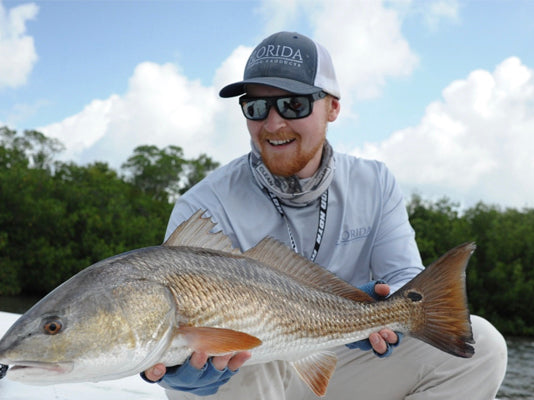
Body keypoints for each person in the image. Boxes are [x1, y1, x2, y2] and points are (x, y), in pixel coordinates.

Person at [138, 32, 508, 399]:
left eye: (293, 104)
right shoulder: (203, 205)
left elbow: (404, 279)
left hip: (338, 357)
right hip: (241, 373)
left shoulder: (375, 182)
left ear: (333, 107)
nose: (273, 124)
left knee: (485, 348)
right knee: (245, 348)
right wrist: (174, 376)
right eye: (255, 107)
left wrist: (378, 315)